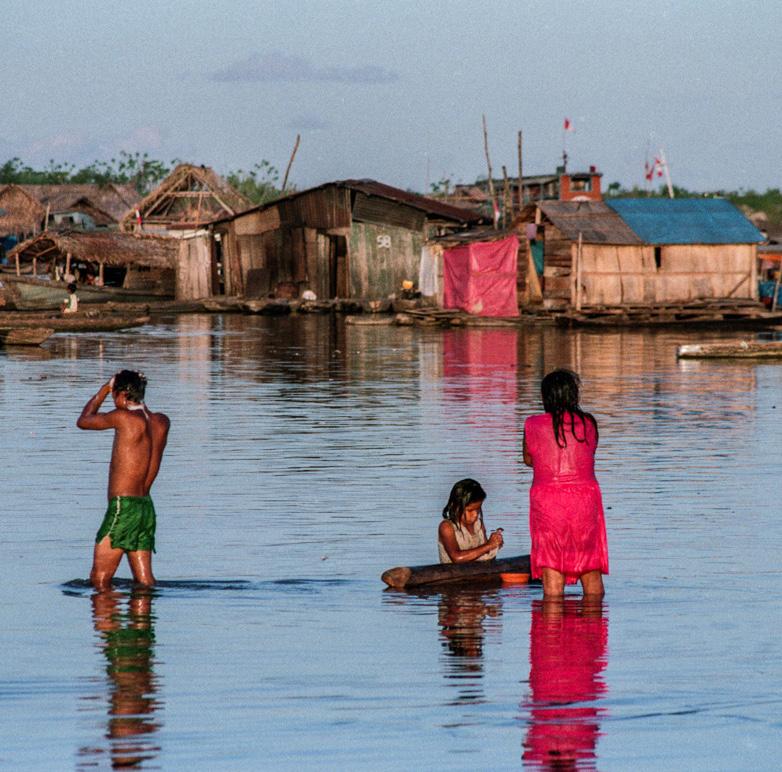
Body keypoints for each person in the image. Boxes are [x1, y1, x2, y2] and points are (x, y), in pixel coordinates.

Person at [77, 370, 170, 590]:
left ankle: (108, 624)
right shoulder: (161, 422)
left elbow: (83, 421)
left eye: (114, 395)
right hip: (145, 507)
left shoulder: (124, 418)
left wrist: (103, 390)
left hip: (123, 506)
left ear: (122, 395)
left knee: (99, 580)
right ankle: (141, 623)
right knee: (145, 582)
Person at [523, 369, 608, 597]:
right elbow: (588, 454)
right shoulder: (589, 424)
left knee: (551, 569)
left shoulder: (532, 424)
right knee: (590, 565)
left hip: (548, 501)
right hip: (584, 499)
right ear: (573, 395)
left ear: (545, 397)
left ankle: (550, 631)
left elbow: (529, 459)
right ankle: (592, 629)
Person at [438, 478, 504, 563]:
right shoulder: (447, 527)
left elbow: (487, 557)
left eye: (478, 509)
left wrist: (495, 544)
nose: (475, 514)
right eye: (470, 510)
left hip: (478, 573)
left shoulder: (478, 524)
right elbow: (456, 558)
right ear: (456, 507)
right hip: (454, 575)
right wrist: (489, 545)